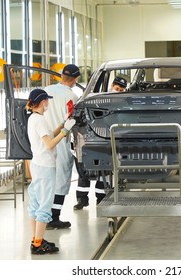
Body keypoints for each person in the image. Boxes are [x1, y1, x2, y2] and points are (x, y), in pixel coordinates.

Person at [25, 88, 76, 254]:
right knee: (45, 206)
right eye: (47, 100)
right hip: (45, 167)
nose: (49, 103)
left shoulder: (35, 118)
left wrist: (63, 123)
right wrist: (65, 131)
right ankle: (38, 245)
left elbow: (48, 136)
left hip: (37, 164)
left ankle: (36, 239)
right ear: (42, 102)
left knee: (35, 204)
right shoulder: (39, 120)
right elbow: (50, 144)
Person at [73, 76, 126, 210]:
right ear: (112, 85)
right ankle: (81, 199)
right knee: (84, 171)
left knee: (104, 172)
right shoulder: (97, 99)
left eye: (120, 90)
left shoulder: (122, 104)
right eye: (116, 88)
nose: (117, 91)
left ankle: (101, 199)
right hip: (90, 137)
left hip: (107, 139)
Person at [43, 64, 80, 230]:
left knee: (44, 180)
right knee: (61, 179)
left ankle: (43, 216)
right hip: (61, 140)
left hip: (42, 142)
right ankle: (54, 218)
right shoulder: (72, 96)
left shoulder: (46, 89)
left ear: (61, 75)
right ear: (76, 79)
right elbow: (74, 120)